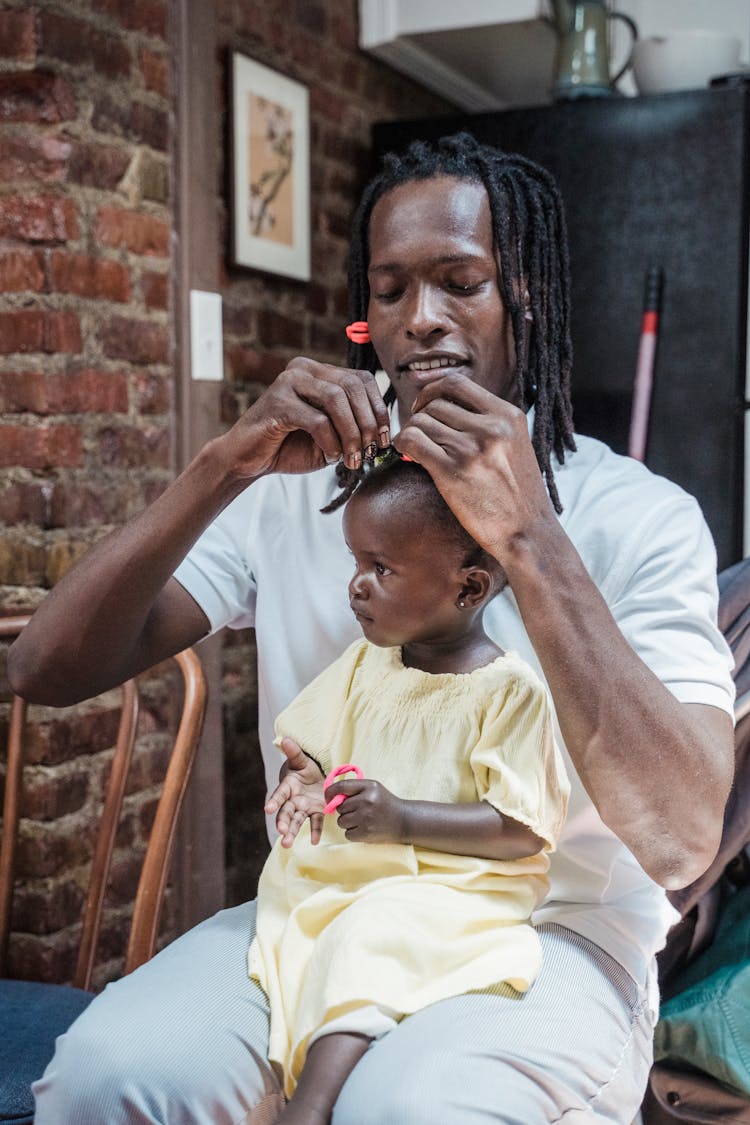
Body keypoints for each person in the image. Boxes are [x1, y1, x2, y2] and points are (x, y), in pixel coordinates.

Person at [9, 131, 735, 1124]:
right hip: (319, 910)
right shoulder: (302, 497)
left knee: (405, 1107)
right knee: (110, 1077)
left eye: (460, 281)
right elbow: (44, 669)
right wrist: (226, 464)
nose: (420, 320)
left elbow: (685, 839)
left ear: (529, 294)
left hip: (553, 932)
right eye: (389, 289)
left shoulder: (639, 515)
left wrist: (529, 535)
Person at [251, 454, 569, 1122]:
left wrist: (401, 818)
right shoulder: (367, 663)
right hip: (367, 869)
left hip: (460, 886)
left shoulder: (507, 693)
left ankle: (310, 1103)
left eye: (381, 569)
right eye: (355, 563)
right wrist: (301, 774)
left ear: (468, 588)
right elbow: (310, 745)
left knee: (370, 932)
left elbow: (521, 828)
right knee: (311, 904)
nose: (356, 587)